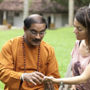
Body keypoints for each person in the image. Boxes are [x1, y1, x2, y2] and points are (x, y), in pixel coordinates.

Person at [0, 14, 60, 90]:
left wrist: (51, 84)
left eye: (42, 33)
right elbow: (3, 72)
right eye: (34, 32)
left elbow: (54, 77)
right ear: (25, 29)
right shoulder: (10, 46)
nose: (38, 37)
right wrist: (23, 76)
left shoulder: (48, 49)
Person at [44, 6, 90, 90]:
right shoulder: (78, 43)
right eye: (74, 26)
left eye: (79, 29)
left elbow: (83, 78)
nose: (74, 31)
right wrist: (73, 86)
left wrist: (55, 80)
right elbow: (75, 69)